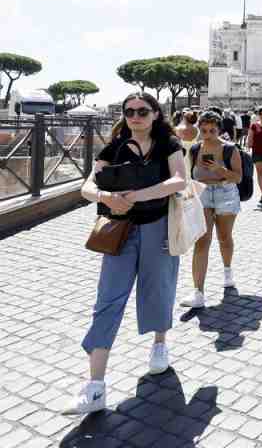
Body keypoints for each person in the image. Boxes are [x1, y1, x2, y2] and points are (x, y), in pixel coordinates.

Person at [69, 93, 186, 415]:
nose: (135, 116)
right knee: (107, 299)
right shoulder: (114, 146)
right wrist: (107, 196)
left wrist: (138, 195)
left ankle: (159, 344)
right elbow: (86, 187)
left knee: (158, 288)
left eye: (142, 111)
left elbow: (179, 179)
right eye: (130, 111)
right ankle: (95, 386)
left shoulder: (168, 144)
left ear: (155, 114)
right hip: (119, 232)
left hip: (158, 228)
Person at [180, 111, 243, 310]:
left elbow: (238, 177)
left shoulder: (230, 149)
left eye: (212, 130)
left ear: (219, 130)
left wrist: (219, 168)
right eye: (204, 130)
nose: (208, 134)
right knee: (202, 241)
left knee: (224, 237)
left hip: (225, 193)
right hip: (203, 194)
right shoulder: (195, 149)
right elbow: (190, 175)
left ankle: (227, 271)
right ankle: (198, 292)